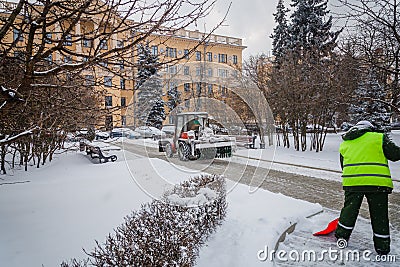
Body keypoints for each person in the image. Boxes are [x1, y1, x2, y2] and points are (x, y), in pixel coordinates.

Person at [335, 120, 400, 255]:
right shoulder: (378, 137)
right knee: (379, 215)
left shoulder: (346, 142)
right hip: (377, 184)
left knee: (349, 210)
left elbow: (344, 164)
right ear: (370, 128)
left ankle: (342, 236)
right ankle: (382, 248)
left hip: (353, 182)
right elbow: (395, 155)